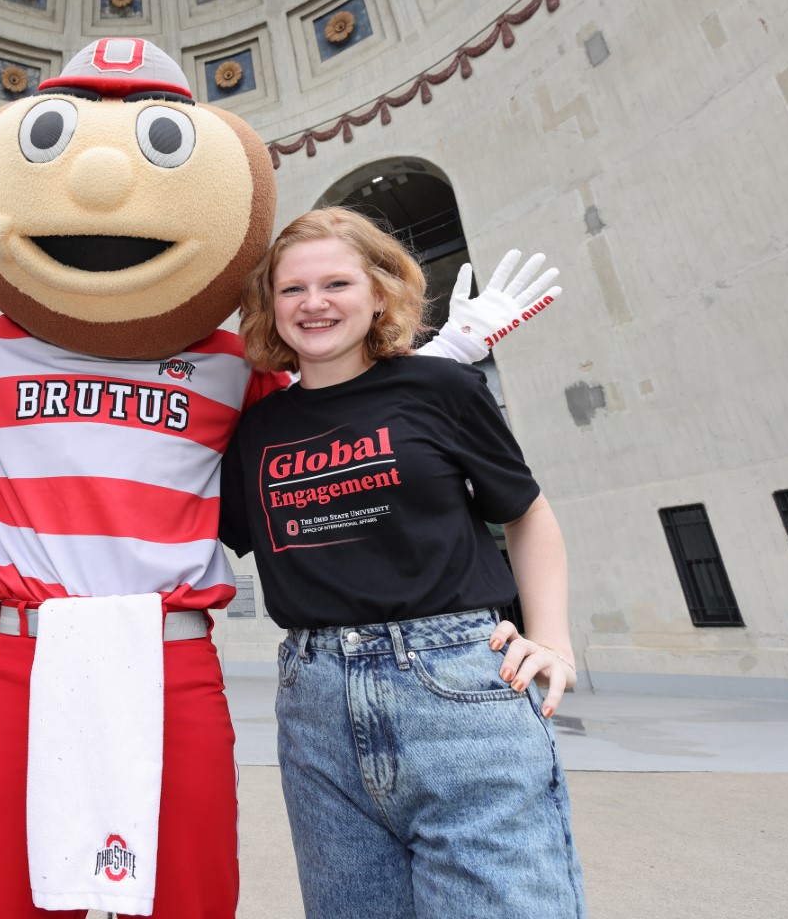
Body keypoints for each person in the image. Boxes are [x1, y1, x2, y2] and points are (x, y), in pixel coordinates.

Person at [0, 38, 562, 919]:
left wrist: (444, 350)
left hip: (171, 651)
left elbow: (339, 408)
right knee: (4, 896)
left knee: (190, 895)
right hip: (30, 646)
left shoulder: (226, 361)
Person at [219, 207, 586, 919]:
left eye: (336, 283)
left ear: (379, 293)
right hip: (315, 700)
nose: (314, 303)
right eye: (292, 290)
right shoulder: (257, 429)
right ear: (270, 307)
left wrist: (555, 640)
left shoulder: (442, 388)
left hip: (456, 687)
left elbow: (525, 511)